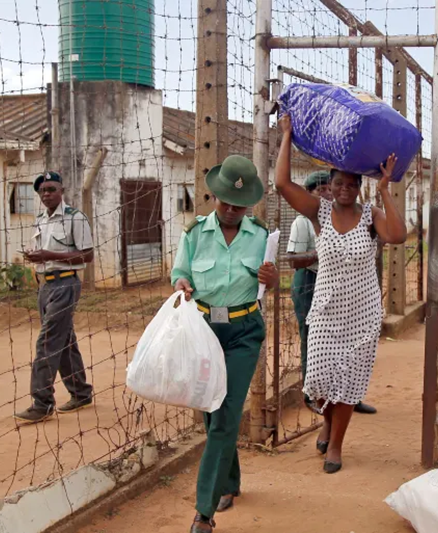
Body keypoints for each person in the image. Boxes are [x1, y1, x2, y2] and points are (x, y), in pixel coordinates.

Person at [275, 114, 406, 474]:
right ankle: (327, 420)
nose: (345, 188)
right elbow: (282, 183)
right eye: (339, 183)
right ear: (330, 188)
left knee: (347, 381)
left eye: (352, 183)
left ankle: (335, 444)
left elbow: (398, 236)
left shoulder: (371, 216)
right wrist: (287, 134)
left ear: (359, 187)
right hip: (326, 311)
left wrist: (384, 190)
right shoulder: (319, 212)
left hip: (361, 314)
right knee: (317, 377)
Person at [170, 155, 279, 532]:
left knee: (227, 412)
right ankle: (229, 483)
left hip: (243, 331)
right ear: (213, 196)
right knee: (211, 411)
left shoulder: (263, 236)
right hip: (203, 328)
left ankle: (204, 513)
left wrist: (272, 277)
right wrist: (181, 284)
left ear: (249, 204)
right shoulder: (194, 233)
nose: (232, 210)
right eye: (225, 202)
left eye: (239, 204)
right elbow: (180, 273)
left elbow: (269, 284)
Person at [287, 172, 377, 415]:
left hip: (345, 290)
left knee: (348, 351)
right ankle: (313, 394)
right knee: (313, 340)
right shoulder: (305, 220)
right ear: (309, 193)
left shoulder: (357, 216)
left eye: (327, 188)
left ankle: (348, 399)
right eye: (320, 189)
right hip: (310, 281)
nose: (325, 193)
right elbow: (293, 260)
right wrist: (329, 252)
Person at [14, 172, 95, 424]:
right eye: (42, 191)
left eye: (51, 188)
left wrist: (50, 255)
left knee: (47, 342)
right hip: (44, 286)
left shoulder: (74, 218)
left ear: (62, 190)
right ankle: (81, 393)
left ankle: (42, 402)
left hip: (66, 284)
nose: (46, 194)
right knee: (64, 341)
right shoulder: (40, 220)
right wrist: (35, 255)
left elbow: (87, 255)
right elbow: (44, 253)